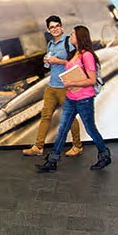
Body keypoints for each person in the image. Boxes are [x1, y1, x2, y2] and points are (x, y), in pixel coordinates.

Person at [37, 25, 111, 172]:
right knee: (63, 129)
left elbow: (91, 80)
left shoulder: (87, 55)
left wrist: (73, 83)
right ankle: (52, 161)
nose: (70, 36)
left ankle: (104, 155)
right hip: (71, 97)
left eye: (73, 34)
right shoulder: (73, 54)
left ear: (80, 38)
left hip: (84, 99)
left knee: (90, 129)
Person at [23, 15, 84, 157]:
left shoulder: (68, 42)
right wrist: (47, 61)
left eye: (57, 26)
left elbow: (77, 60)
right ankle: (38, 147)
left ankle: (77, 145)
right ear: (48, 30)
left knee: (69, 117)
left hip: (65, 86)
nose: (55, 29)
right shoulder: (50, 44)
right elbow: (49, 65)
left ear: (62, 27)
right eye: (52, 27)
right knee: (45, 116)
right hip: (51, 86)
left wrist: (59, 61)